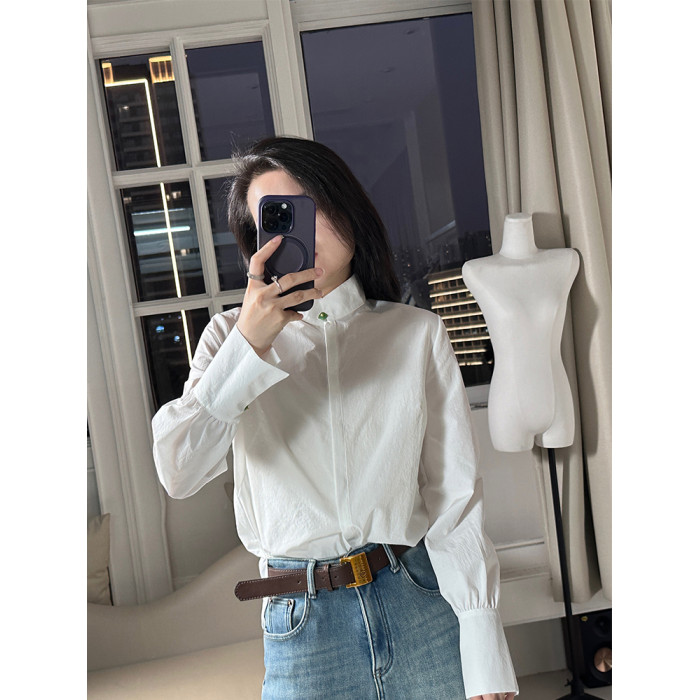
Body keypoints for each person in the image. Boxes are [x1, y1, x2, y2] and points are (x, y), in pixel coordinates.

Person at [151, 136, 518, 700]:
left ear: (348, 209)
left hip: (419, 599)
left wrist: (483, 636)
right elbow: (178, 471)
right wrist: (249, 348)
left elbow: (453, 494)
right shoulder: (228, 339)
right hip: (303, 623)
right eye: (276, 219)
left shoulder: (415, 334)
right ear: (257, 243)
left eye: (310, 206)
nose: (297, 231)